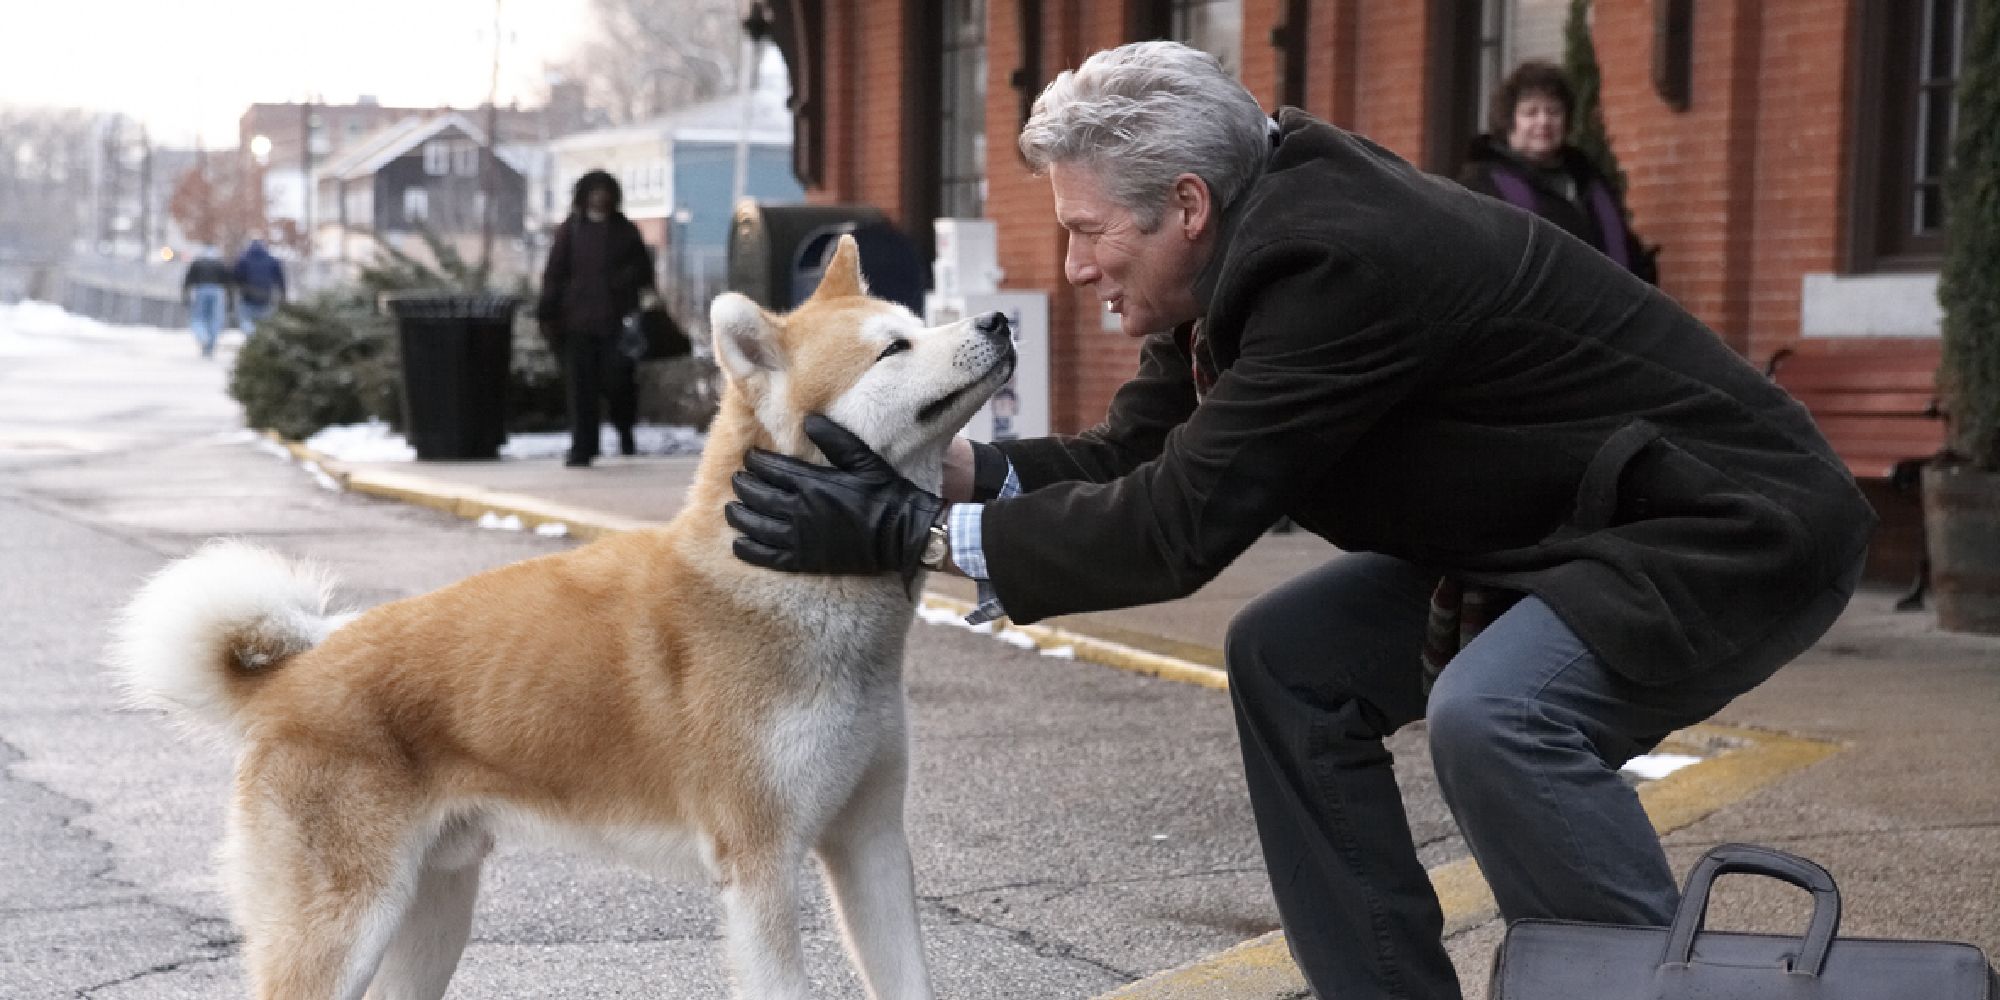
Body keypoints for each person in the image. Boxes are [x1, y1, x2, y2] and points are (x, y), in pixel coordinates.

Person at [724, 41, 1874, 1000]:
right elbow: (1130, 458)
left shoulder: (1335, 260)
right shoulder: (1236, 246)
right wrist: (936, 473)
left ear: (1185, 207)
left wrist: (899, 538)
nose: (1073, 268)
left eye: (1086, 232)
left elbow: (1174, 526)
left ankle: (1646, 989)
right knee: (1287, 658)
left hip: (1724, 525)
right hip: (1562, 531)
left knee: (1495, 716)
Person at [1459, 60, 1657, 283]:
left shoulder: (1589, 181)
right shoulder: (1482, 186)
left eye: (1553, 111)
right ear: (1509, 122)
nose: (1543, 122)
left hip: (1608, 311)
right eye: (1530, 113)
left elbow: (1628, 252)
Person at [535, 169, 653, 467]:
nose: (599, 197)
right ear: (583, 196)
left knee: (619, 383)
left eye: (605, 191)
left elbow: (645, 273)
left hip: (617, 323)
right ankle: (582, 447)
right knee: (580, 388)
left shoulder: (625, 231)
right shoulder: (570, 231)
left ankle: (625, 431)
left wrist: (625, 284)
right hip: (577, 324)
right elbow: (554, 274)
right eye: (594, 191)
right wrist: (548, 311)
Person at [180, 246, 233, 358]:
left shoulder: (197, 263)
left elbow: (188, 280)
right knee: (214, 319)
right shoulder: (220, 264)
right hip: (217, 291)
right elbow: (228, 282)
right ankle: (210, 344)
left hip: (201, 290)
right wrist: (230, 299)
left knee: (199, 317)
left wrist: (186, 295)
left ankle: (203, 337)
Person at [232, 238, 287, 329]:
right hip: (266, 297)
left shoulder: (243, 259)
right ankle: (260, 339)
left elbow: (237, 277)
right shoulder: (272, 260)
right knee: (265, 323)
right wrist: (283, 294)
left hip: (248, 296)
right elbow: (280, 279)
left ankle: (252, 336)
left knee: (245, 321)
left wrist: (240, 287)